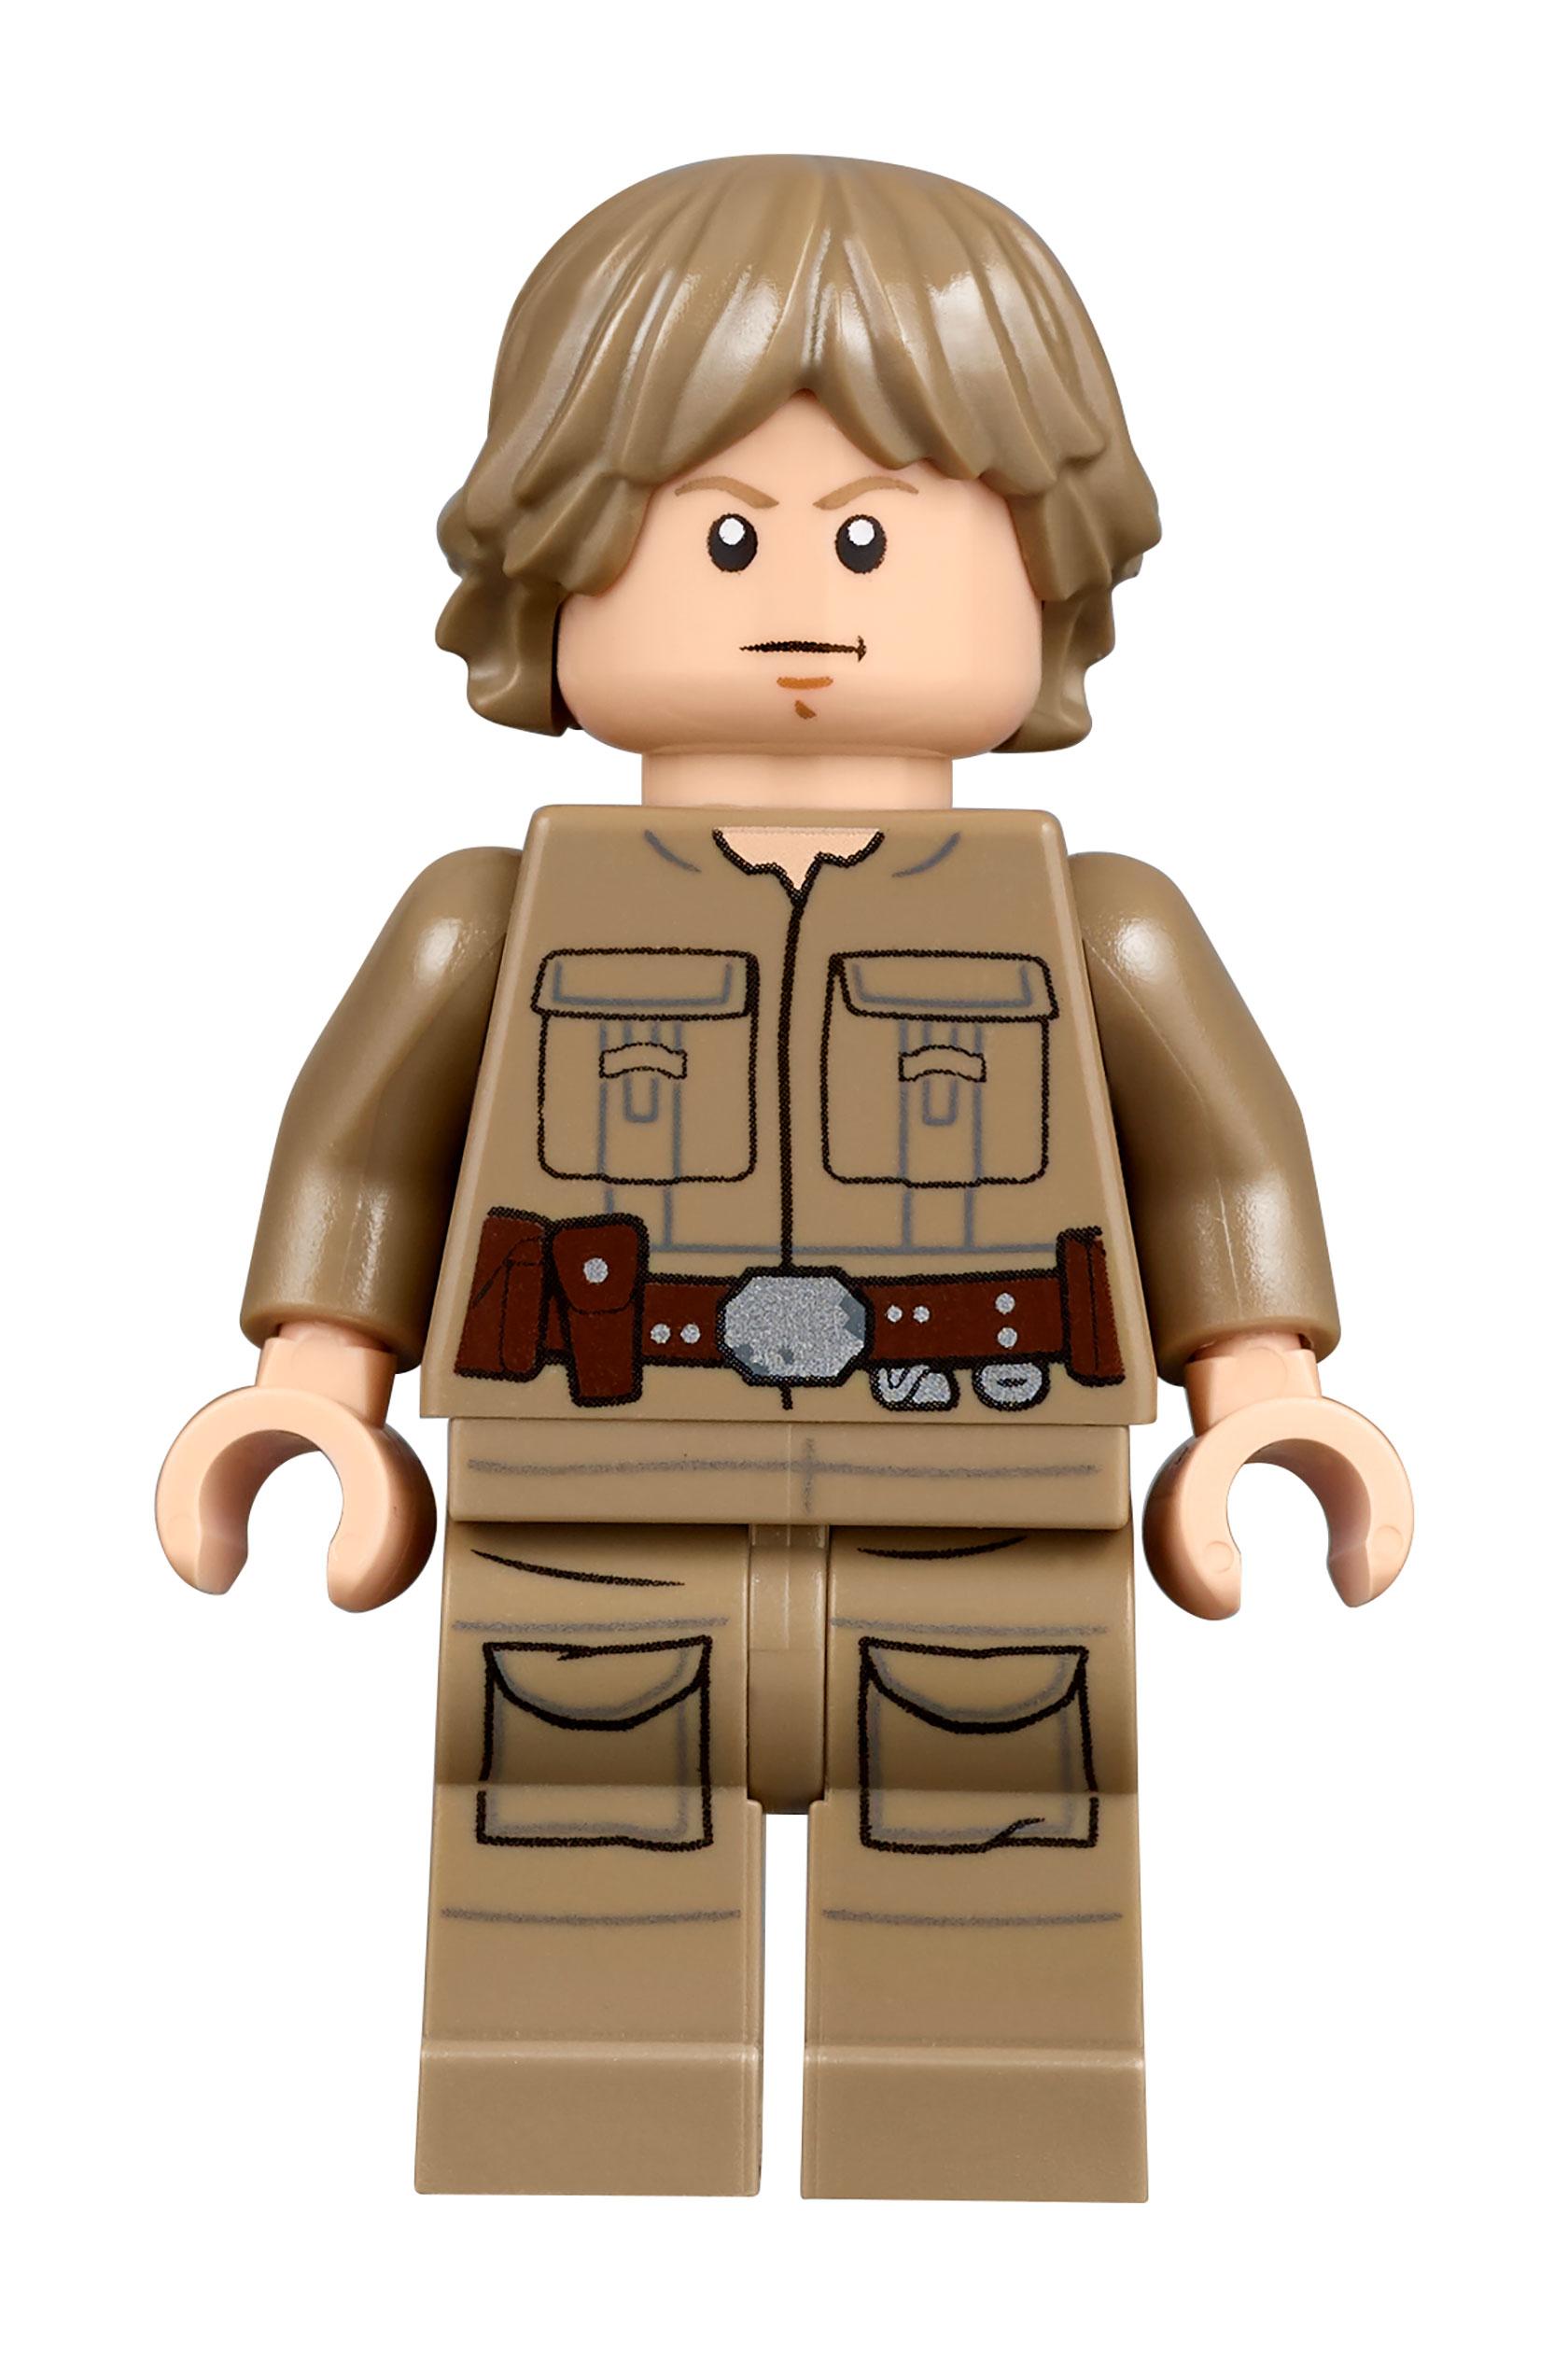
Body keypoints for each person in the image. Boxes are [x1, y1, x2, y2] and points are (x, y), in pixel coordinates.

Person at [157, 153, 1410, 2200]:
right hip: (584, 1504)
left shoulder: (1103, 924)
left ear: (1047, 573)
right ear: (560, 559)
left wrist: (1263, 1399)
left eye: (876, 536)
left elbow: (1219, 1170)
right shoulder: (490, 914)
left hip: (992, 1503)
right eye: (726, 534)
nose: (806, 597)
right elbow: (361, 1148)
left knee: (999, 1954)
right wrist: (312, 1386)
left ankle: (975, 2255)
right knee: (568, 1947)